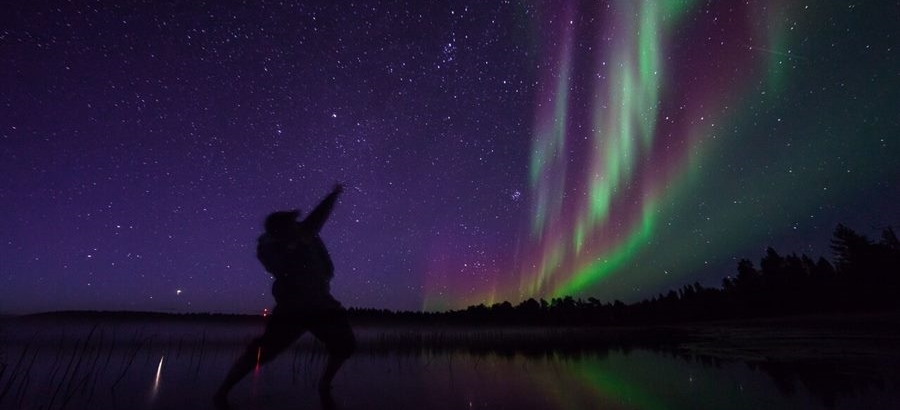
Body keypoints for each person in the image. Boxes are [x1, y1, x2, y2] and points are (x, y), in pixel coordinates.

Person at [214, 183, 355, 408]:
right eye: (292, 224)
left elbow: (314, 221)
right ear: (280, 231)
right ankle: (222, 392)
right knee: (264, 351)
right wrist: (292, 245)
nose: (298, 226)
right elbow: (286, 255)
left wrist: (333, 195)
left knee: (345, 345)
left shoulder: (300, 234)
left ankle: (324, 385)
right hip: (294, 307)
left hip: (322, 303)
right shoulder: (274, 246)